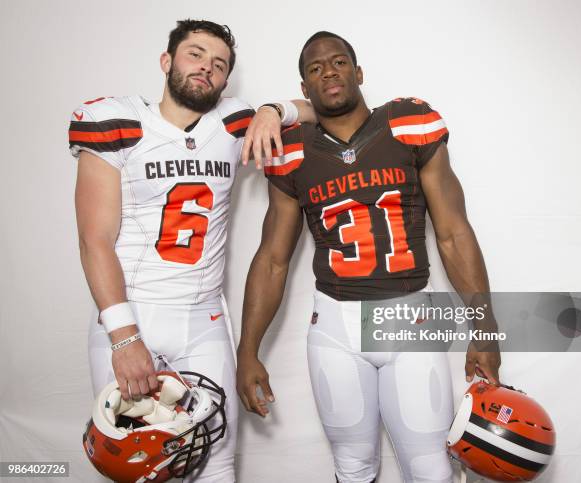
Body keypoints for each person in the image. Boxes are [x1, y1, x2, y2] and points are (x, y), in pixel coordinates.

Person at [236, 31, 501, 483]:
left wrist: (485, 327)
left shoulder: (407, 122)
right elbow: (272, 259)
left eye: (338, 62)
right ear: (304, 89)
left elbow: (454, 234)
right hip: (336, 325)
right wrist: (247, 350)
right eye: (315, 69)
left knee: (432, 470)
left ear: (358, 73)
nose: (329, 73)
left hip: (410, 318)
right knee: (353, 467)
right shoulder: (293, 149)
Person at [69, 19, 314, 482]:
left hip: (204, 320)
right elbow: (93, 240)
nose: (207, 68)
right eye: (195, 54)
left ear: (225, 80)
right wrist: (124, 339)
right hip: (132, 312)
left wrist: (271, 109)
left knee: (216, 456)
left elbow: (313, 109)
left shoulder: (233, 121)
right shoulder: (116, 120)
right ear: (167, 62)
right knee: (133, 466)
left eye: (219, 65)